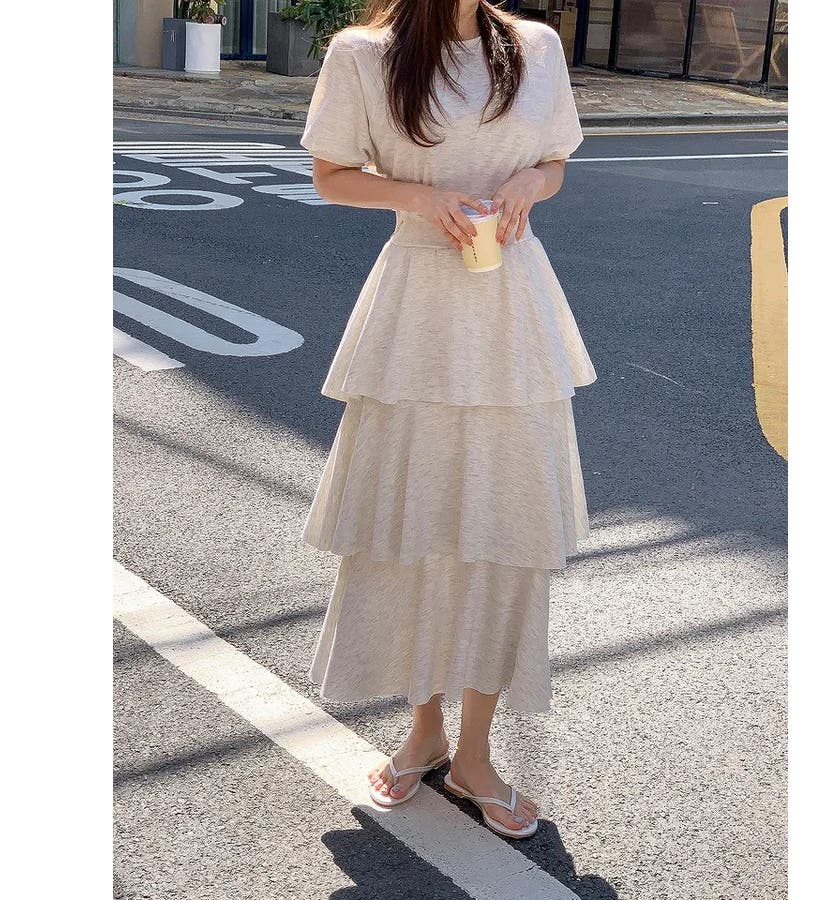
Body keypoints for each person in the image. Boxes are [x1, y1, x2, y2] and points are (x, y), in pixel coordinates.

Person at [299, 0, 596, 838]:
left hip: (513, 310)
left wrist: (531, 184)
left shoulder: (534, 46)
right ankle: (425, 732)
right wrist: (422, 198)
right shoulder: (363, 55)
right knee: (414, 522)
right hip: (416, 316)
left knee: (507, 529)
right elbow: (330, 174)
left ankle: (476, 753)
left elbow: (554, 161)